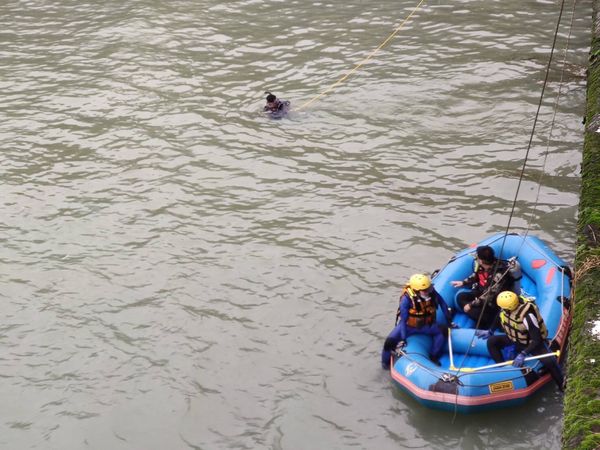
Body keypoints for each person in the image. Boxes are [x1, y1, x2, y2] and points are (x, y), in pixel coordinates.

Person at [479, 291, 564, 391]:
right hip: (515, 339)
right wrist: (490, 331)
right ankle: (502, 368)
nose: (501, 309)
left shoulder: (527, 317)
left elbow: (537, 340)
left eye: (503, 307)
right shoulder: (505, 310)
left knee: (550, 362)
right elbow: (499, 317)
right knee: (491, 341)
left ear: (509, 307)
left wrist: (523, 353)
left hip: (531, 343)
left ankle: (562, 385)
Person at [381, 274, 456, 369]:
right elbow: (403, 320)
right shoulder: (406, 299)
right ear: (416, 291)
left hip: (427, 325)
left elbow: (443, 305)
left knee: (443, 332)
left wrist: (450, 322)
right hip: (409, 327)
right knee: (389, 342)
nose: (428, 292)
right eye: (425, 290)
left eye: (429, 288)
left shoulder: (431, 292)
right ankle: (385, 364)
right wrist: (403, 339)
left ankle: (433, 356)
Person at [450, 245, 515, 329]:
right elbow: (476, 275)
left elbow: (489, 296)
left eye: (477, 256)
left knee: (474, 312)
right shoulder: (482, 266)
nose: (476, 258)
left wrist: (470, 305)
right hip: (481, 291)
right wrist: (464, 282)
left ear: (481, 260)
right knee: (460, 297)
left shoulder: (499, 275)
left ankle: (487, 321)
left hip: (493, 302)